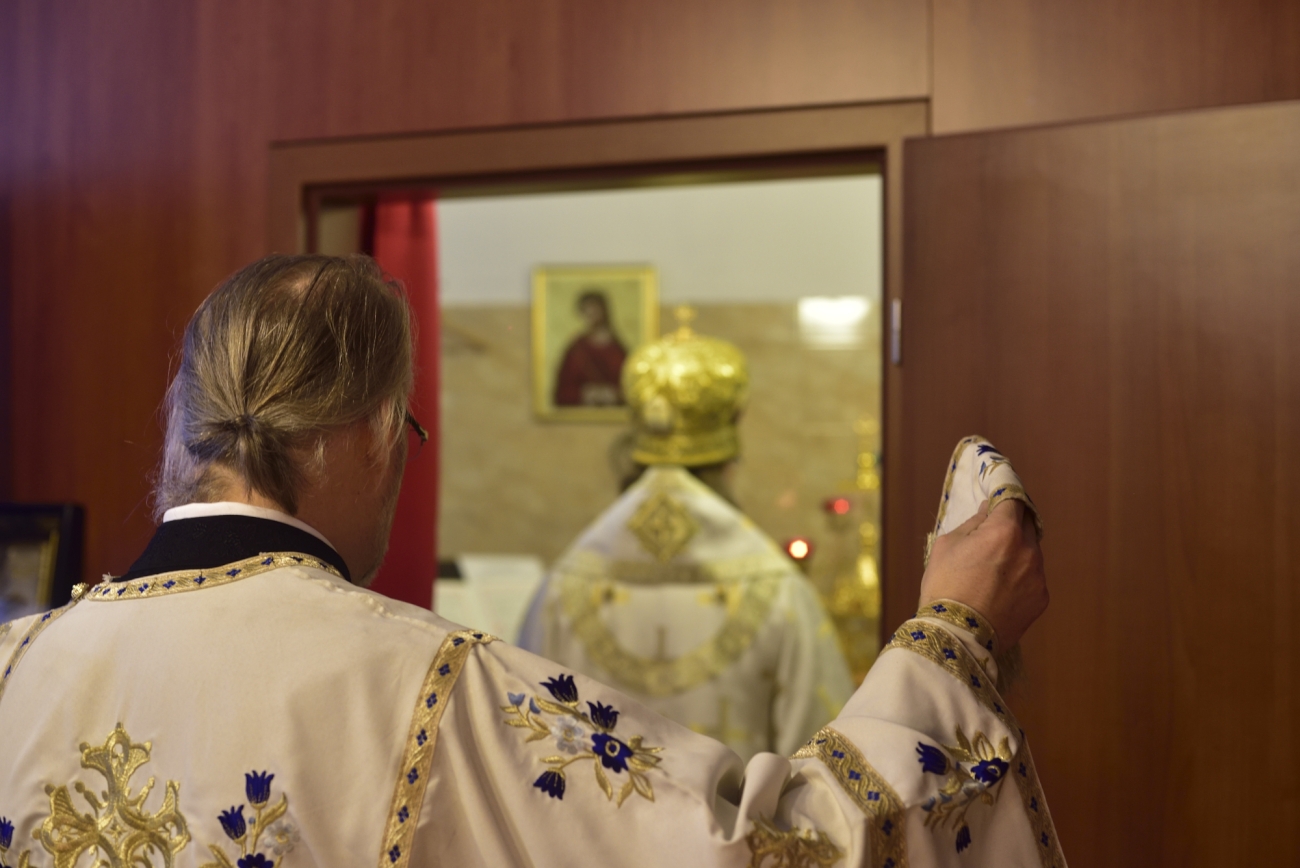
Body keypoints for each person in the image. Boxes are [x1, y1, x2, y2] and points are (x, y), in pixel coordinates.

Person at [0, 254, 1063, 868]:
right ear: (375, 431)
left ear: (185, 429)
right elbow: (776, 852)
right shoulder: (429, 691)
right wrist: (952, 631)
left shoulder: (13, 667)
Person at [520, 319, 857, 761]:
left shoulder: (561, 589)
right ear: (730, 458)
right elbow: (822, 763)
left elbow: (523, 747)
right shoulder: (782, 593)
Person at [553, 289, 627, 406]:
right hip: (582, 414)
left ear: (604, 311)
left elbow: (629, 387)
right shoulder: (576, 349)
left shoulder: (617, 350)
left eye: (595, 310)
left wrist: (614, 394)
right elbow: (562, 392)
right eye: (587, 311)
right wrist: (584, 394)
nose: (592, 315)